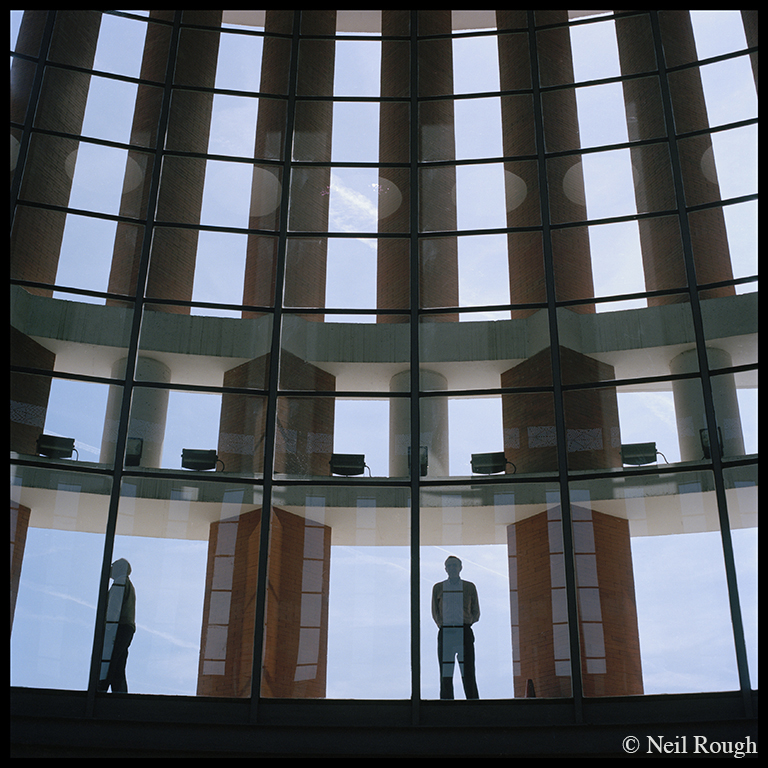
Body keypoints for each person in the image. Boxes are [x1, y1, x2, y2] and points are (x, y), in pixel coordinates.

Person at [431, 555, 480, 699]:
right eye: (449, 565)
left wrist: (467, 621)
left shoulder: (469, 587)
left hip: (464, 630)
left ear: (460, 568)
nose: (452, 568)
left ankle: (473, 702)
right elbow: (435, 611)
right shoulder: (438, 588)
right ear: (445, 569)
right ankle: (446, 704)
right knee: (446, 672)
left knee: (468, 671)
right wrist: (442, 624)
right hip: (446, 631)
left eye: (455, 565)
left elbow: (476, 611)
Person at [98, 558, 136, 693]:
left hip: (119, 627)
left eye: (113, 566)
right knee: (119, 664)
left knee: (110, 661)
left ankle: (101, 689)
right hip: (127, 628)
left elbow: (114, 607)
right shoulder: (128, 584)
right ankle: (120, 695)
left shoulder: (120, 582)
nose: (111, 569)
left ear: (119, 568)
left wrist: (108, 629)